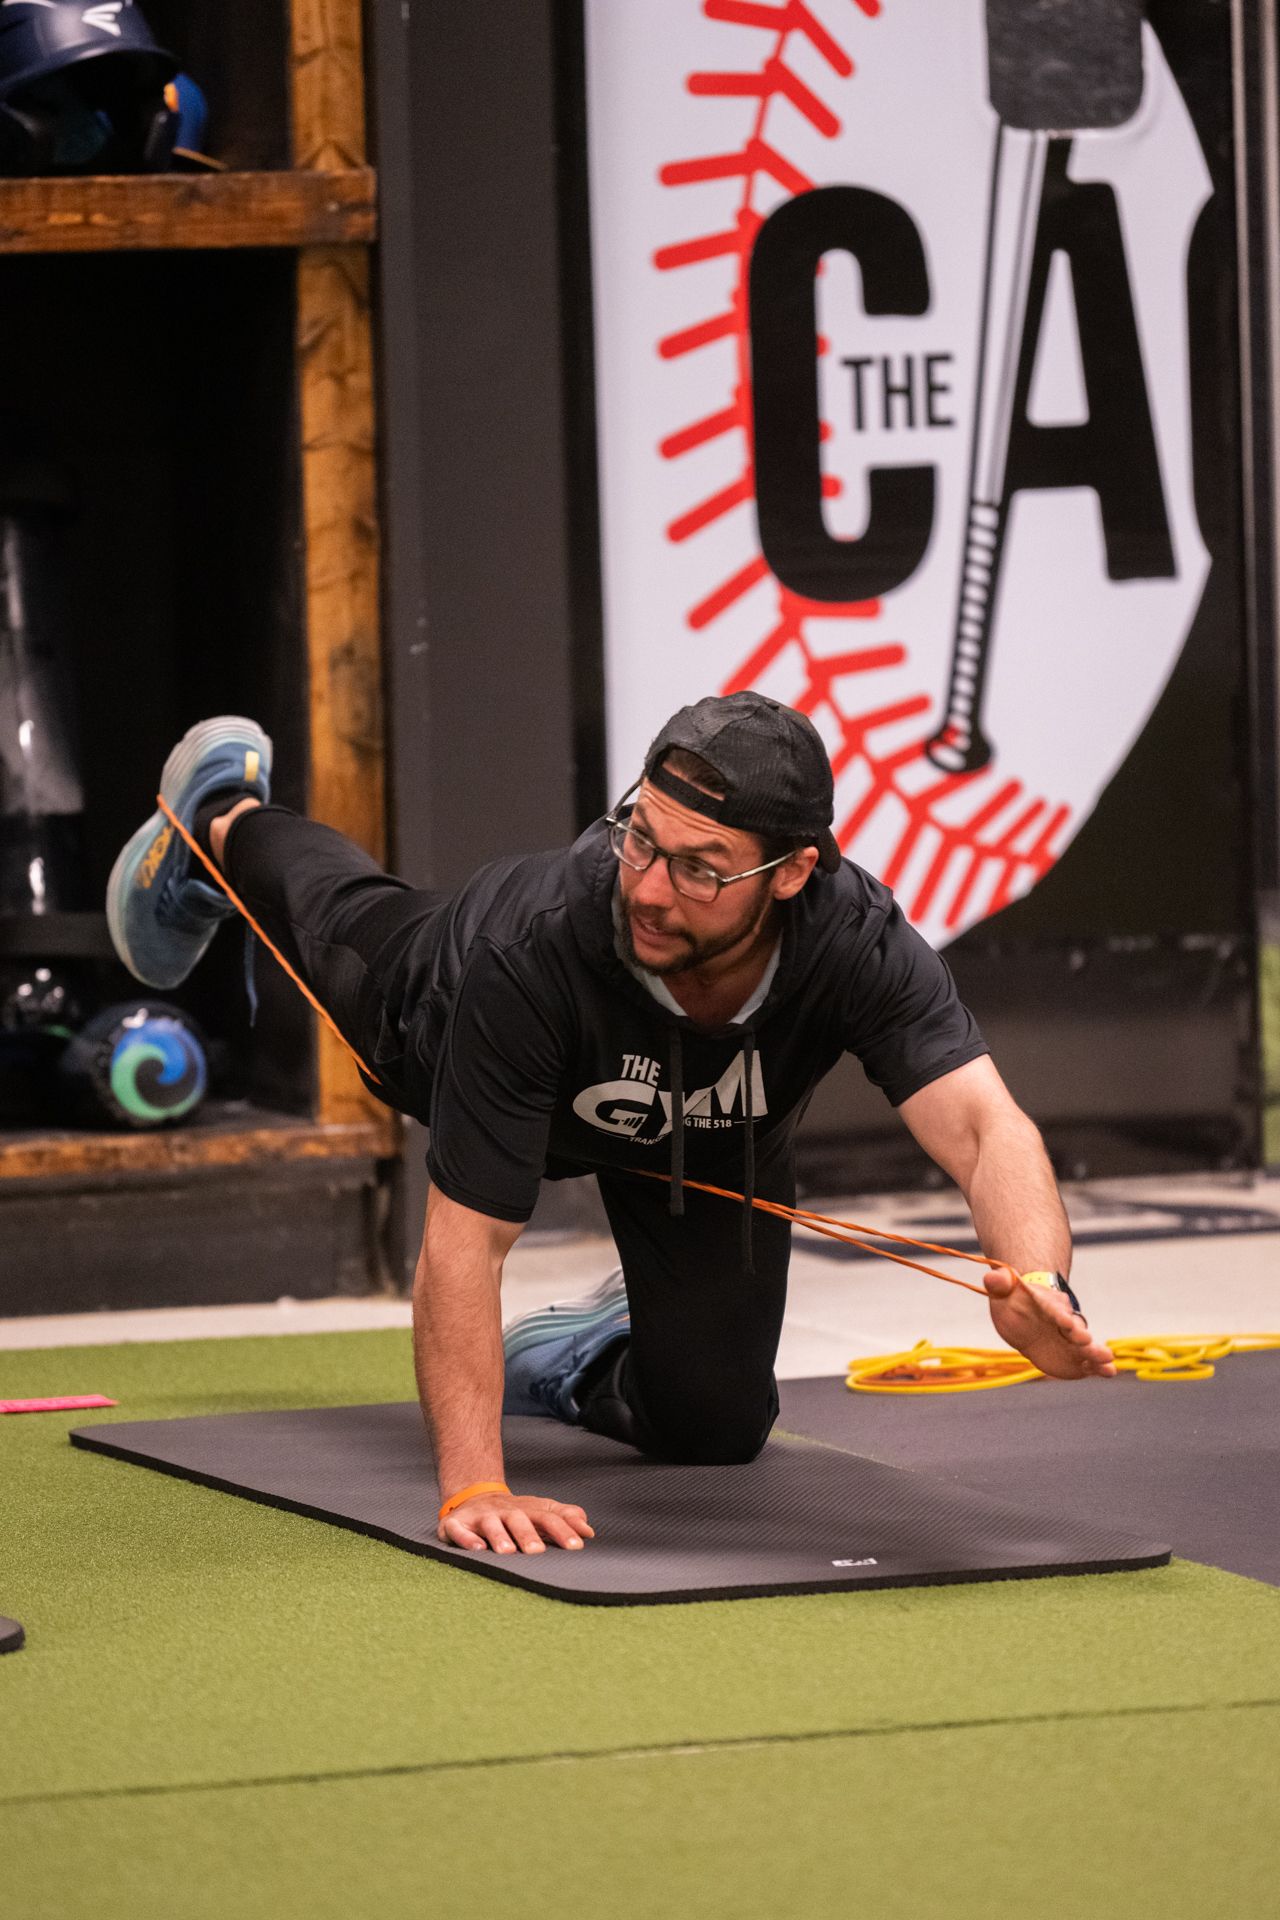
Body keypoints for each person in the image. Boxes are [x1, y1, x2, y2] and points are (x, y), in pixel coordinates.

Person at [107, 694, 1115, 1557]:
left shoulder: (854, 941)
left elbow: (982, 1125)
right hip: (448, 1029)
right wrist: (475, 1484)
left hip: (699, 1142)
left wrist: (1038, 1283)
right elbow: (463, 1245)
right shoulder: (528, 950)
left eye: (700, 869)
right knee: (338, 908)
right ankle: (224, 816)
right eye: (642, 839)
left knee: (717, 1430)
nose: (650, 889)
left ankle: (580, 1354)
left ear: (792, 872)